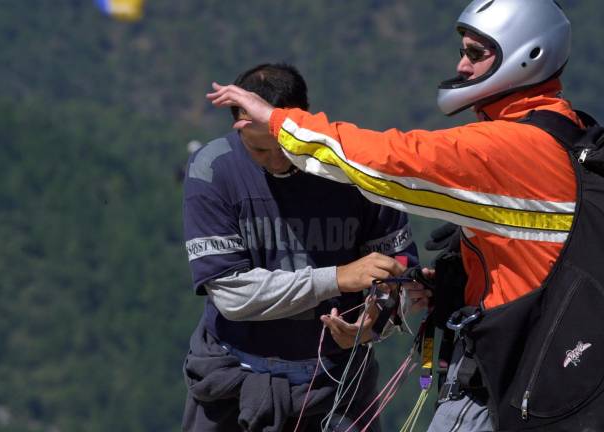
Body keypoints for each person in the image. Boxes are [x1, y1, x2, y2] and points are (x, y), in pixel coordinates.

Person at [207, 1, 577, 430]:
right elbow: (534, 254)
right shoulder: (562, 129)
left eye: (476, 54)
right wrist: (453, 287)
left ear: (527, 56)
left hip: (505, 379)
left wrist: (276, 121)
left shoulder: (506, 145)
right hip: (543, 368)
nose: (461, 65)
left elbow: (388, 162)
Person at [182, 63, 421, 432]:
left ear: (302, 121)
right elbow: (232, 296)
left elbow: (402, 272)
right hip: (232, 380)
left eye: (284, 145)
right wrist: (338, 278)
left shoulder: (358, 165)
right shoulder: (213, 169)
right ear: (239, 126)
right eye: (260, 150)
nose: (277, 161)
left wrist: (376, 321)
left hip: (335, 383)